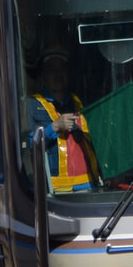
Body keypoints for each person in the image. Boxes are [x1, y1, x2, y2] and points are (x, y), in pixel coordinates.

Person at [29, 47, 97, 192]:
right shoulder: (33, 105)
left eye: (61, 68)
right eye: (51, 69)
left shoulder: (79, 101)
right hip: (58, 191)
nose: (57, 73)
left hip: (91, 185)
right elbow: (28, 144)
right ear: (43, 75)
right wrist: (54, 127)